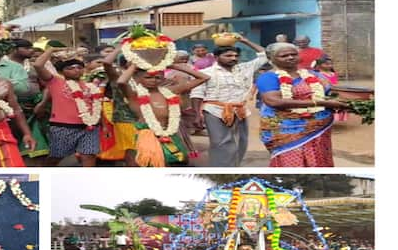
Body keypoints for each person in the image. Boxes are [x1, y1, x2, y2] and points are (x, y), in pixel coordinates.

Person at [255, 43, 350, 167]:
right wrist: (320, 103)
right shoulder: (268, 77)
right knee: (291, 160)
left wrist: (347, 102)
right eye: (284, 55)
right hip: (287, 130)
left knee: (319, 157)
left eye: (293, 54)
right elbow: (274, 101)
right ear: (271, 58)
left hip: (319, 128)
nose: (290, 57)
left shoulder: (314, 75)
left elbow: (330, 93)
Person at [189, 35, 268, 167]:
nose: (233, 58)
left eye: (236, 56)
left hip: (239, 110)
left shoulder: (244, 68)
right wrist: (197, 115)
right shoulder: (205, 72)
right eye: (228, 56)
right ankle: (219, 168)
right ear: (216, 57)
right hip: (214, 111)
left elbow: (265, 55)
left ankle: (234, 167)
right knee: (220, 142)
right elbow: (196, 94)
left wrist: (245, 40)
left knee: (241, 142)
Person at [117, 62, 210, 167]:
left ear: (163, 79)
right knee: (151, 164)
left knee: (178, 162)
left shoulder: (170, 91)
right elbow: (121, 82)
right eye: (148, 77)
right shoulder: (134, 94)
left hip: (170, 133)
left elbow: (204, 78)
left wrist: (175, 66)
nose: (153, 80)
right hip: (148, 135)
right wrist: (134, 66)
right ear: (139, 78)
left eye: (157, 77)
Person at [33, 46, 103, 167]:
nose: (76, 70)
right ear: (62, 71)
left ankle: (89, 182)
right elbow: (38, 65)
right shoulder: (55, 81)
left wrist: (101, 124)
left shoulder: (90, 85)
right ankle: (45, 175)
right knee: (56, 157)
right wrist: (50, 50)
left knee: (89, 155)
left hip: (89, 127)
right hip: (63, 127)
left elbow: (96, 106)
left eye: (79, 67)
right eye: (70, 68)